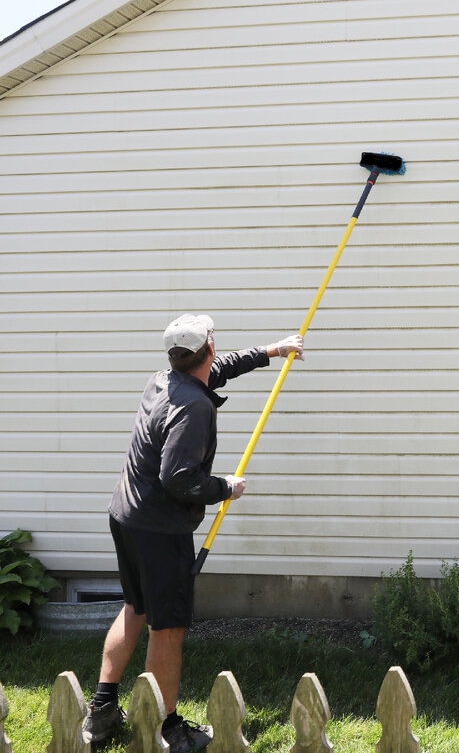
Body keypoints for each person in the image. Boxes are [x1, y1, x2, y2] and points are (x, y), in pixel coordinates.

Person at [82, 314, 304, 752]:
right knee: (168, 629)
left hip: (125, 515)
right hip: (159, 530)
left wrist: (273, 351)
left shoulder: (164, 380)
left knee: (135, 607)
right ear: (209, 348)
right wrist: (225, 488)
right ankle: (164, 726)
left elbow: (216, 372)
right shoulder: (194, 406)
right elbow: (178, 477)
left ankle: (103, 708)